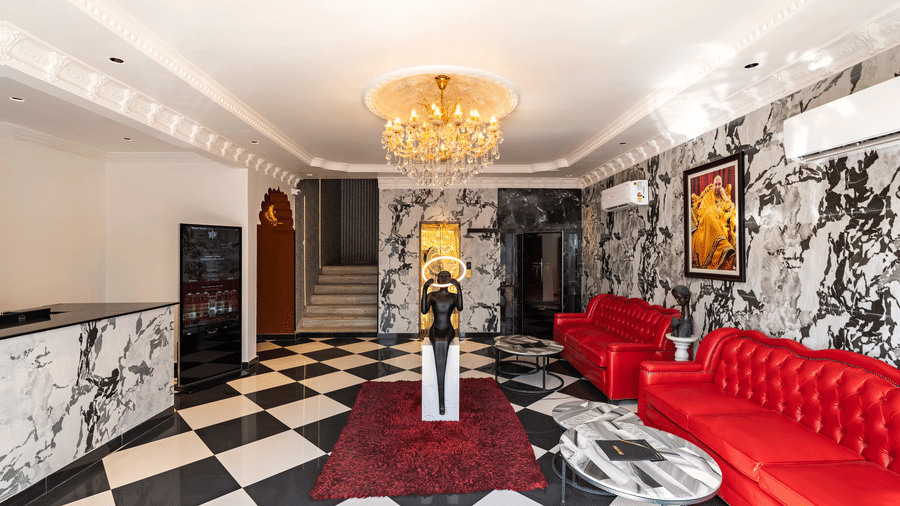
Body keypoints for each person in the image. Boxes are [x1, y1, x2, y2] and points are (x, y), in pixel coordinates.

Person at [420, 271, 463, 415]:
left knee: (443, 341)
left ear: (450, 279)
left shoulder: (453, 296)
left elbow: (460, 307)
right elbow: (424, 311)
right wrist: (425, 289)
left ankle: (442, 401)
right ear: (437, 279)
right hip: (435, 328)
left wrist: (458, 289)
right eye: (441, 276)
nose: (443, 279)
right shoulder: (432, 295)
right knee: (438, 341)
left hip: (448, 328)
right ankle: (440, 400)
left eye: (446, 276)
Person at [690, 174, 737, 271]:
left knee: (715, 220)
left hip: (721, 223)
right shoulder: (708, 196)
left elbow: (729, 208)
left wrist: (724, 195)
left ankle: (724, 250)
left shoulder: (725, 197)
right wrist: (712, 212)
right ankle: (726, 247)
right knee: (710, 214)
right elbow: (701, 211)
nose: (718, 187)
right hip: (707, 221)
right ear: (713, 185)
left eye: (719, 184)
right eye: (716, 185)